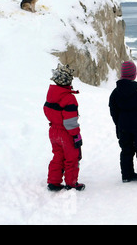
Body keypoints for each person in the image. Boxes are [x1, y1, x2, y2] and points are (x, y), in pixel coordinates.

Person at [109, 61, 137, 183]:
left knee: (126, 150)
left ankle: (127, 175)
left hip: (123, 125)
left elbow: (113, 111)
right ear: (134, 74)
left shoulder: (115, 92)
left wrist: (118, 123)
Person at [44, 63, 85, 191]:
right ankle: (71, 183)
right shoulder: (69, 98)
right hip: (66, 133)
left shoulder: (51, 94)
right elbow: (70, 122)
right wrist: (76, 136)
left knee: (58, 156)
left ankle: (53, 182)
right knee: (72, 157)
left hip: (53, 131)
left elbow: (47, 111)